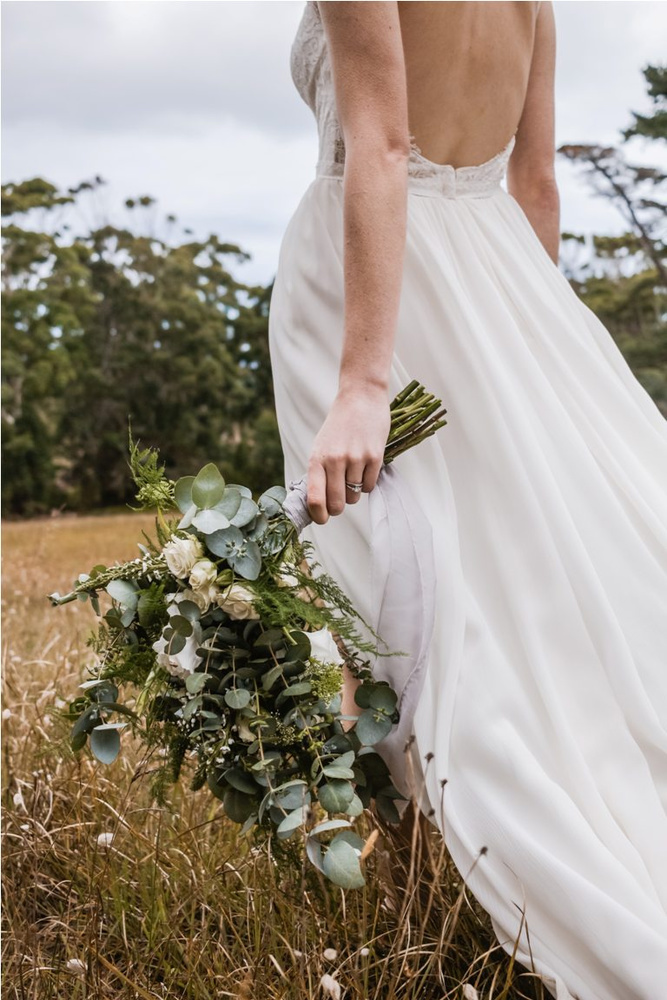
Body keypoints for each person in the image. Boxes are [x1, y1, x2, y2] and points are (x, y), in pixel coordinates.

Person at [267, 3, 667, 998]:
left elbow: (382, 144)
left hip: (372, 291)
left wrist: (363, 382)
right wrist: (527, 352)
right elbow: (536, 186)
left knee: (384, 596)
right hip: (507, 286)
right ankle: (429, 884)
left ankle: (434, 880)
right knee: (521, 578)